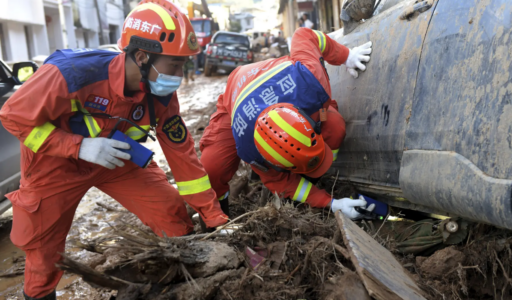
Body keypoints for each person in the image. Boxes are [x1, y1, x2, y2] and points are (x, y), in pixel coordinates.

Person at [0, 1, 228, 299]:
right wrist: (78, 146)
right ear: (143, 56)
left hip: (116, 157)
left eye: (183, 65)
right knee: (44, 255)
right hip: (53, 166)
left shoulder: (161, 96)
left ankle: (177, 283)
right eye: (174, 65)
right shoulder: (70, 74)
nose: (180, 74)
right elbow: (12, 117)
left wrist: (216, 220)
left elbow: (183, 158)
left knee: (171, 211)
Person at [199, 27, 374, 222]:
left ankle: (315, 177)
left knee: (335, 127)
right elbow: (281, 182)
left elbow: (304, 34)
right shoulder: (249, 148)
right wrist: (330, 203)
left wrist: (346, 56)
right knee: (212, 168)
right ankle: (215, 218)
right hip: (236, 97)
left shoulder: (311, 78)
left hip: (284, 81)